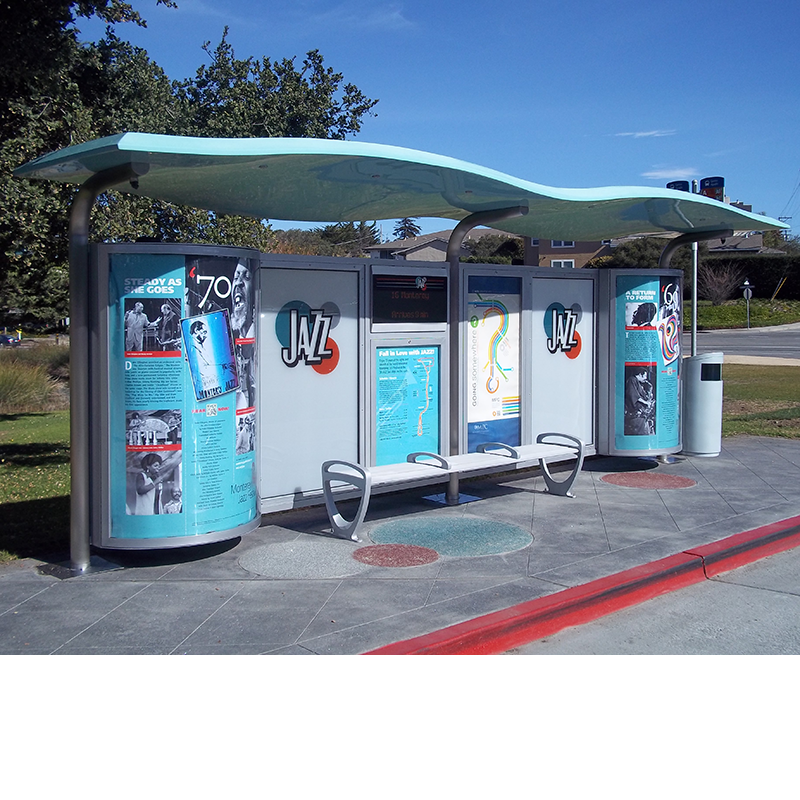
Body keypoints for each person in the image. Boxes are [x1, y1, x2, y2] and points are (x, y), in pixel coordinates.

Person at [625, 367, 655, 435]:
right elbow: (633, 394)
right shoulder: (632, 380)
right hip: (636, 414)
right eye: (645, 376)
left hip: (641, 414)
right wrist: (646, 403)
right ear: (640, 374)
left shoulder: (637, 382)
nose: (646, 379)